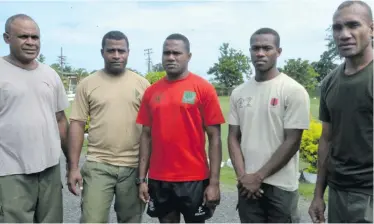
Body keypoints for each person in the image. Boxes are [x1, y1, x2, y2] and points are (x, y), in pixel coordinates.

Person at [136, 33, 225, 223]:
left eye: (176, 53)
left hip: (194, 177)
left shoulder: (203, 88)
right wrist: (142, 179)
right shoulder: (152, 92)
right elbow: (146, 136)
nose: (171, 57)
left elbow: (215, 137)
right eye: (166, 53)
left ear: (189, 56)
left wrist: (214, 183)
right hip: (160, 178)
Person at [227, 27, 311, 223]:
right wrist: (243, 177)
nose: (260, 53)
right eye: (255, 48)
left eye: (267, 48)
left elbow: (293, 140)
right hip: (246, 184)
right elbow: (232, 136)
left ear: (278, 52)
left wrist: (258, 177)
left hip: (281, 187)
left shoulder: (293, 90)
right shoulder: (239, 92)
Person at [67, 30, 150, 223]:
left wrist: (145, 173)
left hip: (133, 167)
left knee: (131, 220)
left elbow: (150, 131)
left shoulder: (143, 85)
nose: (116, 55)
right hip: (98, 164)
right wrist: (73, 168)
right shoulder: (87, 84)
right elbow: (77, 125)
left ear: (128, 52)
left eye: (121, 51)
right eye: (111, 50)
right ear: (102, 52)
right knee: (91, 220)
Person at [0, 14, 69, 223]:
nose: (30, 42)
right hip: (10, 171)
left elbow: (60, 120)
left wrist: (72, 164)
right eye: (23, 36)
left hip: (49, 169)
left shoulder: (50, 75)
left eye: (35, 37)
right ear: (6, 38)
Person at [308, 1, 373, 223]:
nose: (344, 34)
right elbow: (326, 140)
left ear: (372, 29)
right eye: (338, 28)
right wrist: (318, 194)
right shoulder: (329, 82)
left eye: (353, 25)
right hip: (338, 191)